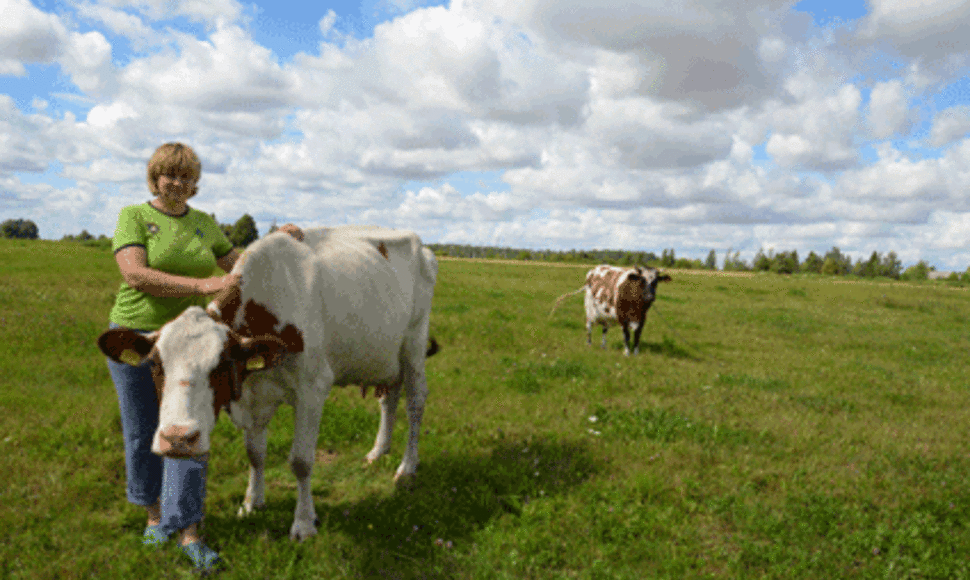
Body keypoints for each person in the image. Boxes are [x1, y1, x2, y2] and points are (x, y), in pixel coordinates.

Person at [105, 142, 301, 572]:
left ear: (195, 184)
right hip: (140, 336)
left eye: (186, 176)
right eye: (168, 174)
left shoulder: (203, 224)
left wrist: (273, 242)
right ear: (154, 178)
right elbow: (135, 273)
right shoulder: (134, 216)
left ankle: (189, 530)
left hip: (192, 344)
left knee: (188, 430)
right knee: (142, 433)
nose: (177, 183)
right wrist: (201, 287)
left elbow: (238, 267)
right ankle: (155, 517)